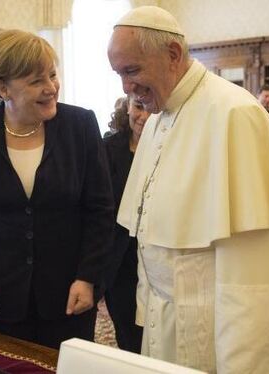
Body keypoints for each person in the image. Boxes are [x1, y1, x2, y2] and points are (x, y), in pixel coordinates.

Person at [107, 6, 269, 373]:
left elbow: (256, 282)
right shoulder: (157, 120)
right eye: (119, 74)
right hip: (167, 324)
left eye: (132, 70)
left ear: (172, 55)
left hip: (218, 336)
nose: (126, 88)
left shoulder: (235, 114)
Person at [0, 29, 114, 349]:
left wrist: (88, 276)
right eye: (36, 81)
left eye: (52, 75)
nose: (51, 88)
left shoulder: (81, 125)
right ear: (3, 87)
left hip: (68, 295)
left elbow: (100, 210)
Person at [102, 96, 149, 353]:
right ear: (127, 107)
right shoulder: (106, 148)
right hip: (119, 261)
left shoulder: (171, 148)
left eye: (148, 108)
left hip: (157, 258)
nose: (143, 115)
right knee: (128, 334)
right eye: (137, 107)